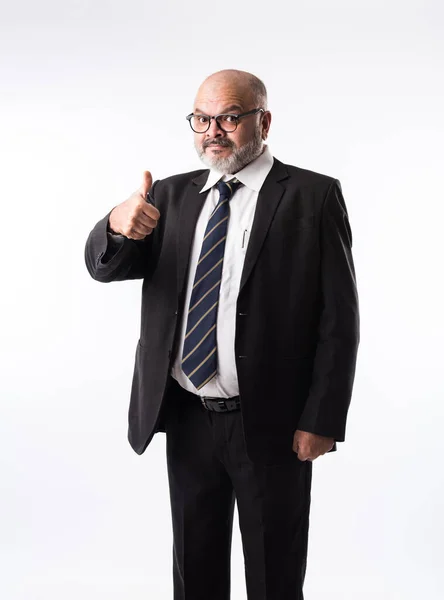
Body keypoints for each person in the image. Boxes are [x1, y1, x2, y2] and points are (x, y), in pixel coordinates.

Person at [85, 69, 360, 600]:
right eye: (203, 119)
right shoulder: (168, 196)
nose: (214, 130)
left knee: (274, 571)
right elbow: (104, 267)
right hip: (186, 414)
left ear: (264, 120)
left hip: (274, 422)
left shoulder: (312, 195)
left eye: (230, 118)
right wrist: (116, 224)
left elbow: (339, 319)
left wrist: (322, 418)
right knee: (194, 568)